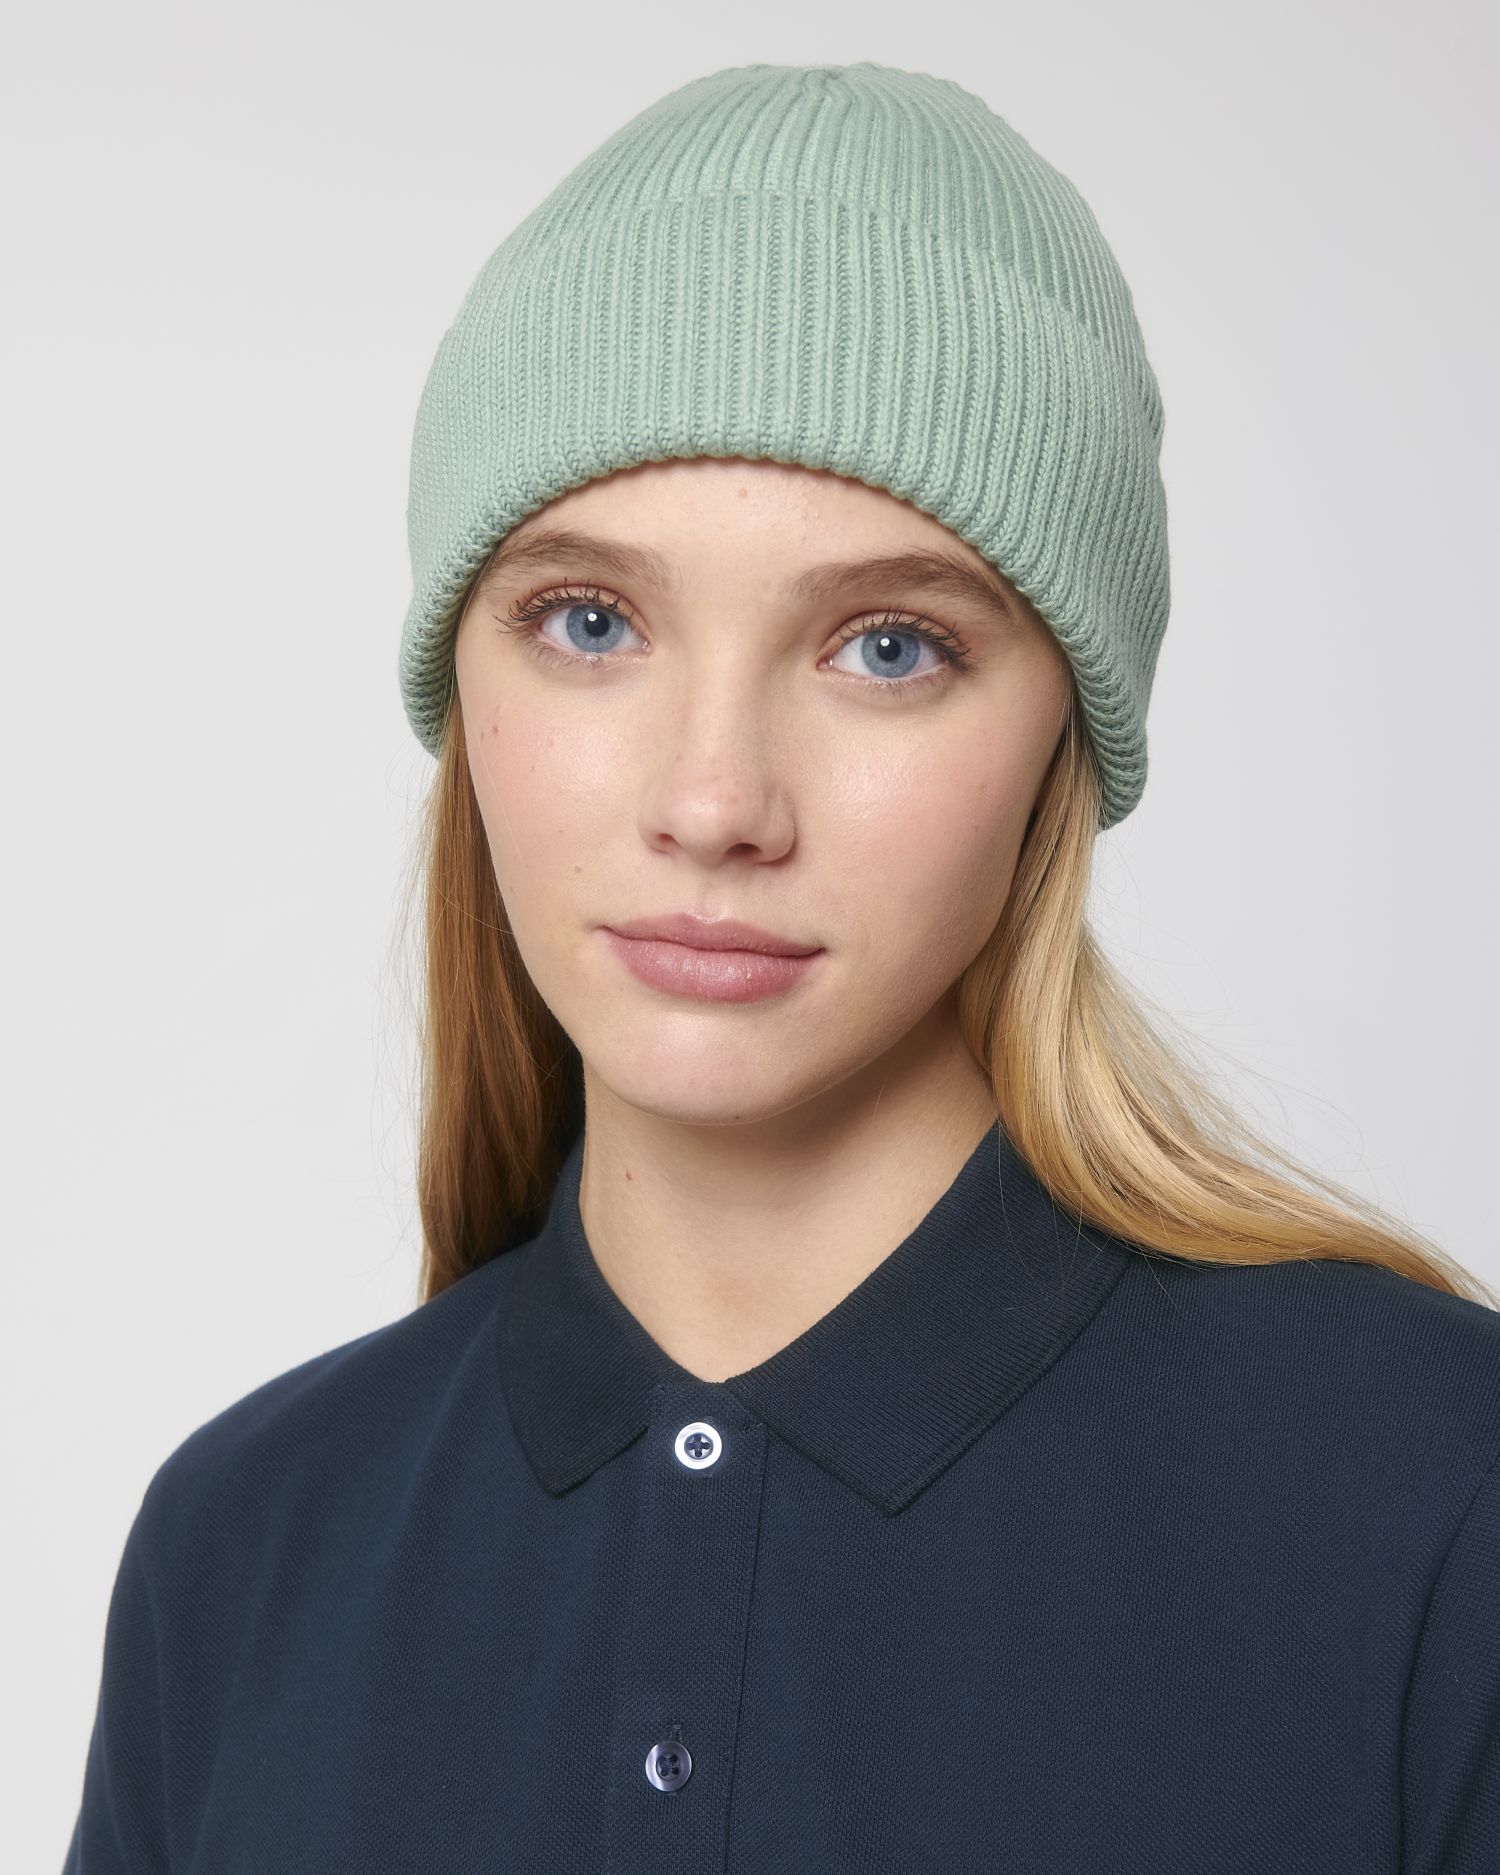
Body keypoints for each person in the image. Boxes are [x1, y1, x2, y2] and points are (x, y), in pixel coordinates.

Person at [63, 60, 1500, 1874]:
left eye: (888, 646)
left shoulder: (1440, 1502)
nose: (715, 801)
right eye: (591, 621)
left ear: (1064, 732)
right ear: (460, 681)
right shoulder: (241, 1552)